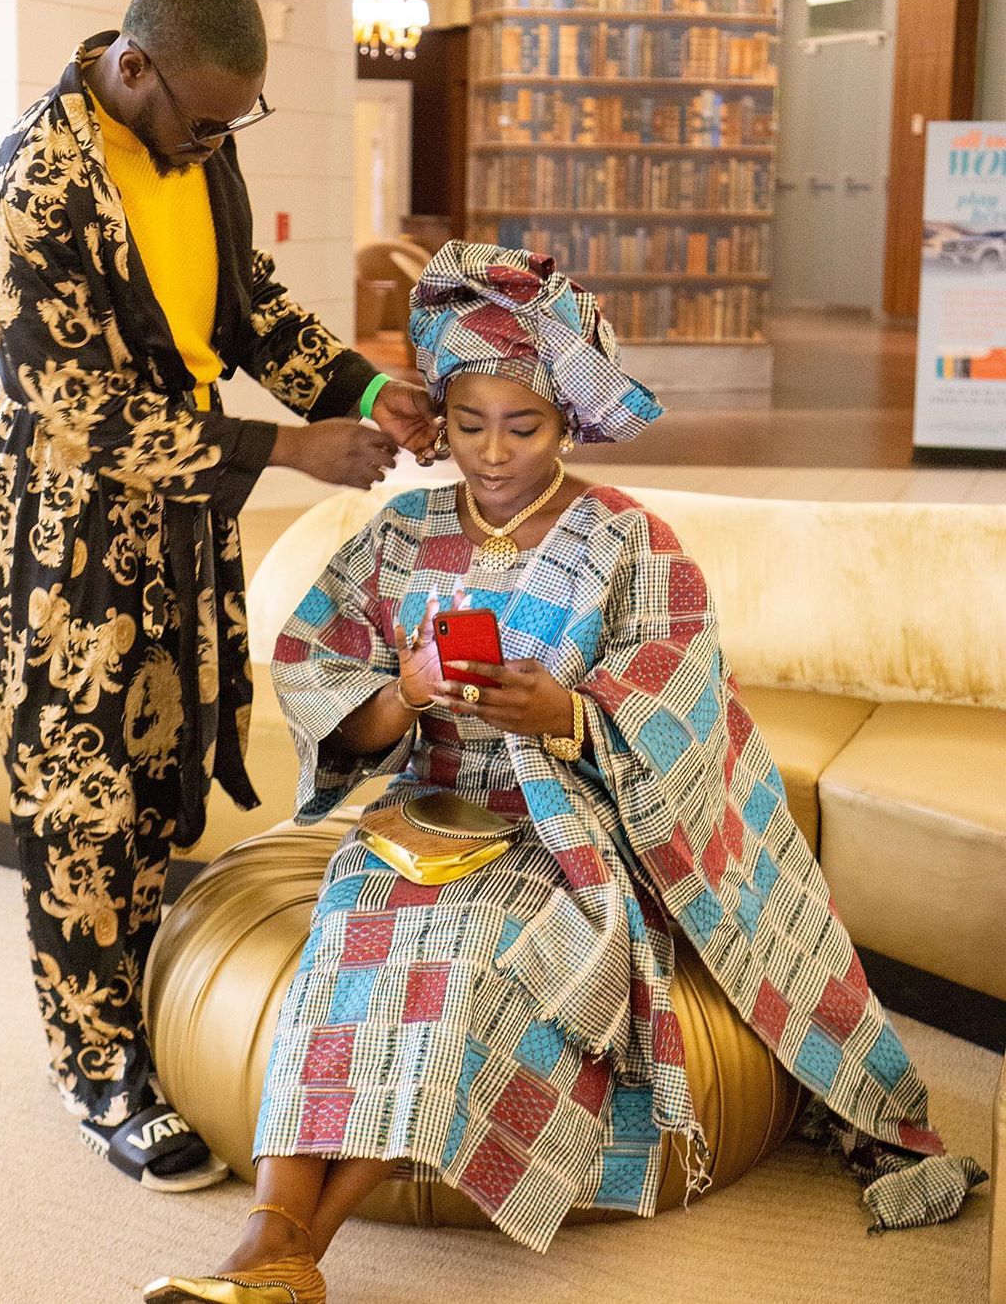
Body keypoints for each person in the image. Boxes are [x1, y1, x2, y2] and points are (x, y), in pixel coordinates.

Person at [146, 242, 984, 1303]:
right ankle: (269, 1241)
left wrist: (568, 714)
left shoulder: (630, 542)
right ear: (439, 418)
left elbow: (686, 706)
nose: (493, 453)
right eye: (468, 424)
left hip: (575, 833)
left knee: (466, 976)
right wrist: (406, 691)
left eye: (524, 425)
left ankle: (286, 1253)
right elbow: (322, 684)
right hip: (426, 821)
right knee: (349, 950)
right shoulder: (399, 534)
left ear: (570, 422)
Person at [0, 0, 439, 1191]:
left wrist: (368, 389)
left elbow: (251, 313)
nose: (219, 142)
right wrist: (290, 449)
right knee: (82, 794)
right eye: (206, 121)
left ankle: (137, 1015)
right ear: (133, 69)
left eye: (236, 122)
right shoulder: (34, 186)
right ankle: (94, 1068)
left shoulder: (196, 143)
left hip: (180, 518)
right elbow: (79, 411)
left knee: (158, 761)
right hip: (70, 532)